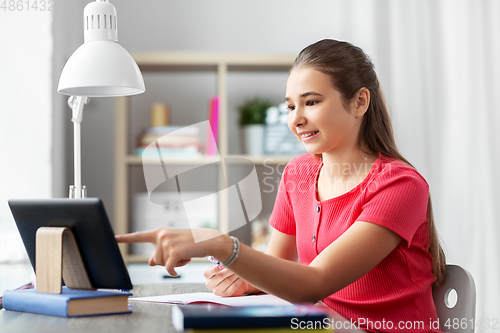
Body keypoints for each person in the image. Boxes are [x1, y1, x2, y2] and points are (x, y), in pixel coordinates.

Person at [116, 39, 446, 333]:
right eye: (290, 106)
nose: (296, 119)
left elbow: (312, 285)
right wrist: (245, 280)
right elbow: (278, 265)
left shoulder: (400, 185)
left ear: (359, 102)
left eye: (311, 102)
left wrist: (219, 245)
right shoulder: (298, 174)